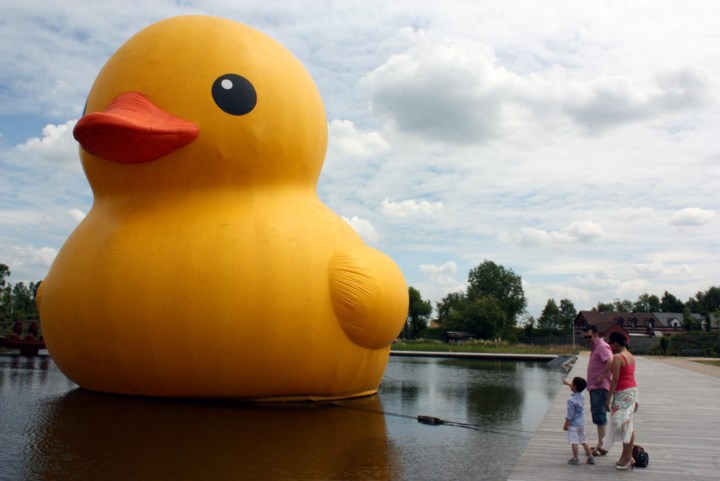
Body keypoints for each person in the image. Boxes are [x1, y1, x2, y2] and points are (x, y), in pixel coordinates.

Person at [602, 331, 638, 470]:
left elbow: (615, 379)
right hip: (633, 391)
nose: (609, 346)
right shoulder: (630, 355)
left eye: (610, 343)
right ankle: (626, 455)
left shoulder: (618, 357)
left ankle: (628, 457)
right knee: (628, 425)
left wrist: (609, 398)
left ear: (616, 343)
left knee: (623, 425)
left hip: (622, 393)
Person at [583, 324, 613, 456]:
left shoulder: (601, 346)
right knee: (598, 416)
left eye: (589, 337)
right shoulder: (595, 347)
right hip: (595, 388)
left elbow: (610, 361)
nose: (587, 339)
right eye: (585, 337)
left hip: (600, 388)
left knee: (600, 417)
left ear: (596, 335)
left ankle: (602, 446)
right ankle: (601, 444)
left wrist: (602, 376)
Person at [563, 376, 595, 465]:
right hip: (581, 423)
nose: (571, 384)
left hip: (573, 424)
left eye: (572, 383)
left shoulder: (571, 400)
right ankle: (591, 457)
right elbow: (576, 389)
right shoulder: (582, 395)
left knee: (574, 442)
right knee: (584, 440)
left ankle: (575, 459)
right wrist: (568, 384)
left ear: (575, 387)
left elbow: (570, 414)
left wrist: (566, 424)